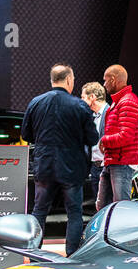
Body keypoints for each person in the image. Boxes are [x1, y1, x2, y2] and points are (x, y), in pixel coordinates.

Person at [21, 64, 100, 257]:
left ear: (52, 80)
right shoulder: (79, 106)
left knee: (39, 211)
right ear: (69, 80)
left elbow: (26, 134)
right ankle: (71, 256)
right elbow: (93, 138)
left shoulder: (36, 102)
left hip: (44, 167)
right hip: (71, 169)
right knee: (74, 213)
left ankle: (33, 256)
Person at [97, 64, 138, 211]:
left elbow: (125, 136)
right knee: (103, 207)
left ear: (113, 79)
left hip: (122, 163)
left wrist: (104, 141)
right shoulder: (119, 102)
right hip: (113, 161)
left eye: (105, 81)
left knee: (121, 208)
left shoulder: (127, 102)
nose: (104, 85)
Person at [81, 81, 108, 205]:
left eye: (83, 97)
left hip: (107, 166)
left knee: (108, 204)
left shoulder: (110, 112)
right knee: (98, 205)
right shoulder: (91, 116)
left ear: (92, 97)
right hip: (94, 166)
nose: (81, 101)